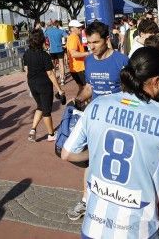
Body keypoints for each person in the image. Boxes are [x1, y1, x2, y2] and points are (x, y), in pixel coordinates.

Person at [62, 46, 159, 239]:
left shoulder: (97, 104)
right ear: (155, 81)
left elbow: (67, 153)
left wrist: (94, 152)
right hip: (138, 229)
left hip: (93, 226)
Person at [67, 21, 129, 221]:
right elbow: (89, 87)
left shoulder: (122, 61)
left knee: (114, 164)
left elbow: (131, 93)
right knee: (90, 161)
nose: (91, 47)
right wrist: (77, 100)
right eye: (88, 43)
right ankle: (86, 200)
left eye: (95, 42)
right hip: (95, 120)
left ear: (107, 39)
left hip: (118, 123)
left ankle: (116, 202)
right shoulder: (89, 61)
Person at [23, 29, 65, 142]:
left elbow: (26, 70)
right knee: (46, 111)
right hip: (44, 86)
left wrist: (30, 87)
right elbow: (50, 74)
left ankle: (33, 130)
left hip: (32, 84)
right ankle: (51, 134)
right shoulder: (45, 55)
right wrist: (59, 89)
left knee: (40, 106)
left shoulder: (26, 54)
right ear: (42, 40)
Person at [66, 20, 89, 94]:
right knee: (86, 89)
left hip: (75, 69)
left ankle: (78, 103)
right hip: (79, 68)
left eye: (80, 27)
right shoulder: (74, 37)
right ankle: (82, 103)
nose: (80, 28)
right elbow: (73, 54)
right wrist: (88, 53)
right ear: (72, 29)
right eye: (78, 27)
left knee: (82, 88)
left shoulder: (72, 37)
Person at [44, 21, 67, 85]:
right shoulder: (60, 31)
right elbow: (68, 36)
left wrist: (45, 46)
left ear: (52, 25)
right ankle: (62, 79)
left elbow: (43, 37)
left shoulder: (48, 31)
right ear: (58, 25)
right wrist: (66, 45)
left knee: (53, 65)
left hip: (52, 50)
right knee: (61, 64)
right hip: (60, 49)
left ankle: (54, 79)